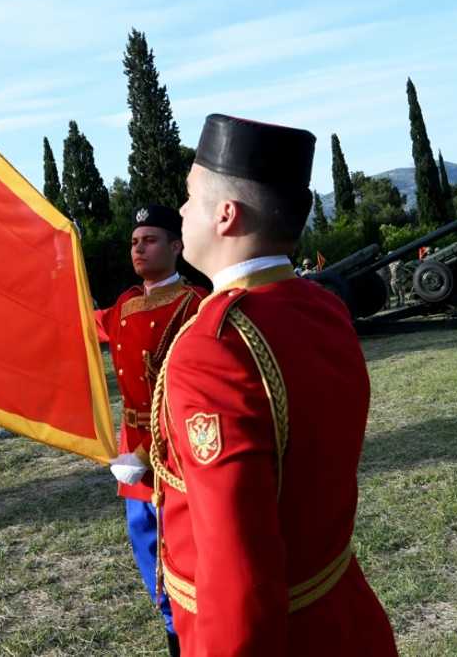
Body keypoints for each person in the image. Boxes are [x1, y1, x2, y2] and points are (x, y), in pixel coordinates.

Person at [149, 114, 397, 655]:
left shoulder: (213, 347)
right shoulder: (322, 306)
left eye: (190, 197)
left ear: (226, 215)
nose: (183, 210)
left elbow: (237, 567)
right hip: (343, 613)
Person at [95, 205, 206, 657]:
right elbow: (84, 322)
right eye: (134, 242)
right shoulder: (123, 303)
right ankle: (173, 634)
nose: (138, 248)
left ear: (176, 247)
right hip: (133, 453)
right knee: (146, 547)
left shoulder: (195, 303)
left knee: (187, 552)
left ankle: (198, 632)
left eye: (150, 240)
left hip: (176, 450)